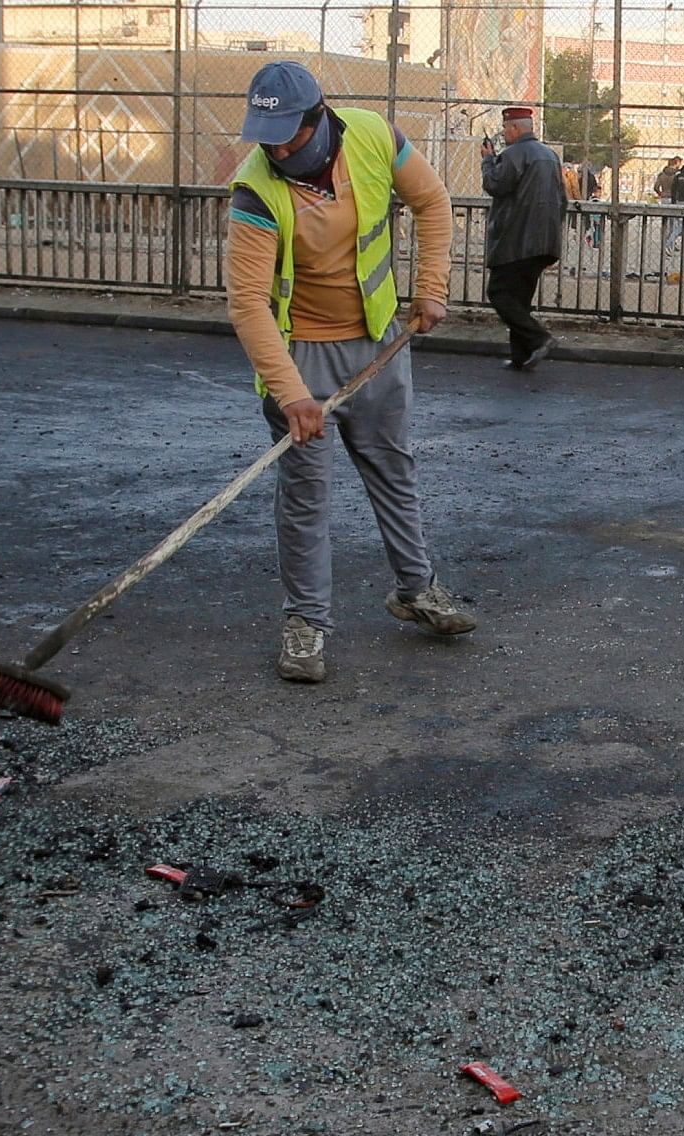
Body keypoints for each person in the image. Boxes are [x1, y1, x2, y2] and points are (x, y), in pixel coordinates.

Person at [221, 59, 472, 685]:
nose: (277, 149)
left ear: (319, 117)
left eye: (289, 136)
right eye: (266, 138)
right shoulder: (255, 189)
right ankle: (306, 626)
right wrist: (292, 394)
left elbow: (433, 201)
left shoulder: (372, 135)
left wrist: (432, 287)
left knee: (393, 466)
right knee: (305, 496)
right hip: (301, 354)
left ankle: (417, 590)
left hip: (380, 344)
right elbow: (248, 302)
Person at [480, 106, 566, 373]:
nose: (504, 133)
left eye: (506, 128)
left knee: (498, 293)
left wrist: (487, 160)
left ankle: (539, 338)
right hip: (544, 241)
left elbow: (495, 185)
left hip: (516, 239)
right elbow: (562, 200)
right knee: (519, 300)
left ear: (516, 128)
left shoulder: (514, 155)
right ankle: (522, 355)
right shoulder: (550, 156)